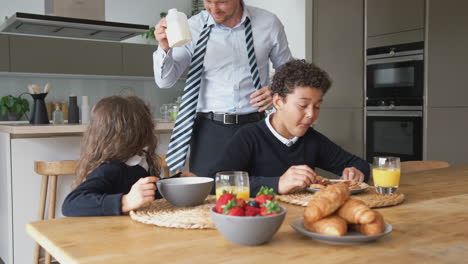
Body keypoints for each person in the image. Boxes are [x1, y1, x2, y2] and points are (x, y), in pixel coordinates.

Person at [153, 0, 293, 177]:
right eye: (208, 1)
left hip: (256, 126)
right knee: (208, 197)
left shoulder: (268, 23)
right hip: (209, 132)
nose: (213, 9)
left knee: (263, 194)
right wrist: (164, 48)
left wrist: (276, 90)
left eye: (221, 2)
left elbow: (289, 72)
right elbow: (166, 81)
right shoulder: (192, 27)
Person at [210, 59, 370, 195]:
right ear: (278, 102)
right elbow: (215, 184)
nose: (311, 114)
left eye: (317, 106)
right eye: (303, 105)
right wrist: (277, 184)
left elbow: (359, 164)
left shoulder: (311, 139)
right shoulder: (248, 137)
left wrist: (355, 172)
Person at [62, 95, 162, 216]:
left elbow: (149, 193)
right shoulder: (110, 169)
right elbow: (70, 204)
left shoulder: (137, 163)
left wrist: (178, 181)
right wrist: (125, 201)